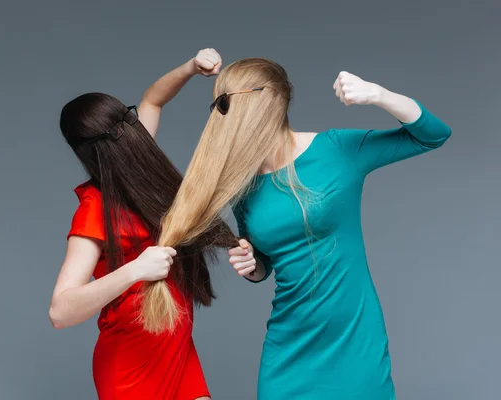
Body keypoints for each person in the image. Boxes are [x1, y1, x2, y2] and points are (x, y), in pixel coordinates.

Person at [157, 58, 452, 399]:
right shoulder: (243, 184)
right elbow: (265, 263)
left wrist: (379, 95)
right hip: (290, 345)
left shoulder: (337, 150)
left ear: (271, 103)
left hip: (353, 339)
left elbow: (433, 136)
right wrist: (252, 265)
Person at [48, 48, 236, 400]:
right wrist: (136, 269)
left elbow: (154, 98)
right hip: (131, 363)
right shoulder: (95, 210)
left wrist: (190, 67)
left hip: (176, 346)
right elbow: (60, 311)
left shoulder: (135, 154)